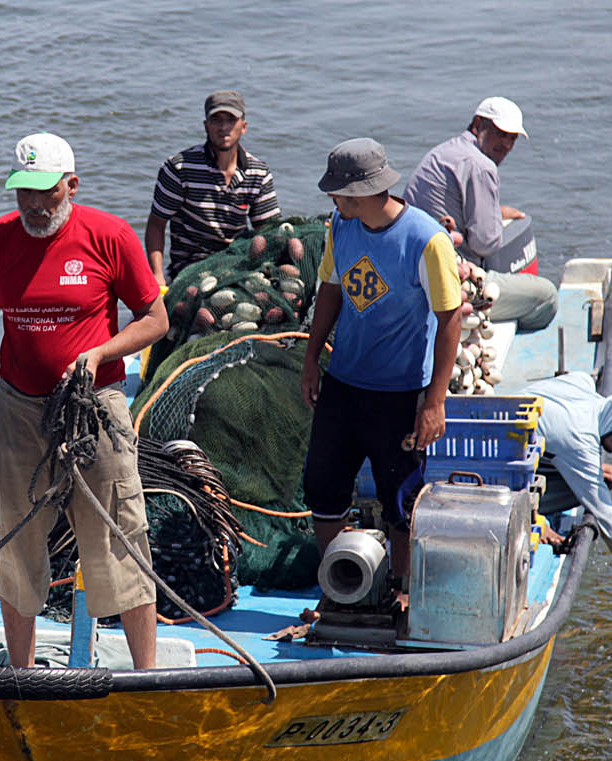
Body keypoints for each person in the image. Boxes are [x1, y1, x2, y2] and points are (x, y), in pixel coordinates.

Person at [0, 132, 167, 669]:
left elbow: (156, 321)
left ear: (71, 185)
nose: (34, 204)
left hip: (96, 409)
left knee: (121, 540)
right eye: (23, 191)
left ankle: (148, 676)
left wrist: (99, 354)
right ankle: (19, 676)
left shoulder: (109, 235)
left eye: (45, 192)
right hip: (18, 411)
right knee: (16, 546)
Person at [300, 138, 465, 595]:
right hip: (344, 384)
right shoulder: (341, 225)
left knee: (401, 498)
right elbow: (330, 288)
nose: (332, 200)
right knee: (324, 486)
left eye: (338, 193)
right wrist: (312, 359)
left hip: (399, 393)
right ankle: (336, 587)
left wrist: (434, 403)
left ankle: (400, 589)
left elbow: (451, 318)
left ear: (362, 193)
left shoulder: (426, 239)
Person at [403, 96, 558, 331]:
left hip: (414, 270)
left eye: (512, 138)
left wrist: (495, 210)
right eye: (500, 134)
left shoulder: (445, 152)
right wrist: (495, 219)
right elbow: (485, 243)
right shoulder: (481, 166)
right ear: (478, 124)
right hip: (450, 282)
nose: (506, 144)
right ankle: (490, 329)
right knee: (547, 296)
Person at [529, 371, 612, 612]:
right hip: (489, 468)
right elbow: (608, 520)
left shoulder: (583, 388)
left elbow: (578, 378)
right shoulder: (581, 441)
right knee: (591, 496)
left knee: (593, 483)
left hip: (507, 442)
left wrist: (590, 471)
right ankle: (531, 517)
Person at [145, 90, 281, 286]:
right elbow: (157, 224)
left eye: (231, 120)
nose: (224, 127)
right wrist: (157, 275)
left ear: (243, 127)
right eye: (216, 120)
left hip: (237, 264)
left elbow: (268, 231)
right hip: (188, 268)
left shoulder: (258, 172)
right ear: (206, 126)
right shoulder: (179, 168)